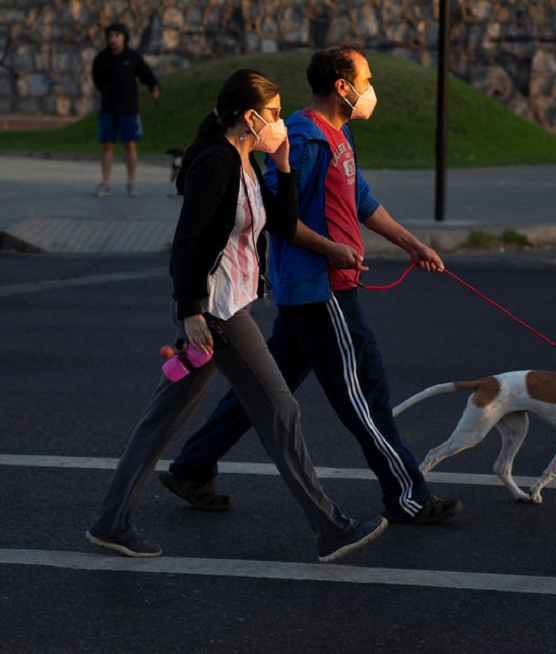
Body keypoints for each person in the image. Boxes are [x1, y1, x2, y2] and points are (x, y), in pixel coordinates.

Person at [85, 68, 387, 563]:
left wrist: (285, 165)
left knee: (163, 419)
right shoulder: (216, 163)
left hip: (225, 306)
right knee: (280, 408)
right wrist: (190, 313)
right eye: (273, 115)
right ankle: (331, 528)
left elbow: (284, 223)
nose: (280, 122)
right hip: (217, 313)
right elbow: (187, 242)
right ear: (249, 117)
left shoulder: (246, 159)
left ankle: (109, 522)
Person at [159, 44, 462, 525]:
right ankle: (409, 495)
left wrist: (412, 244)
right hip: (320, 289)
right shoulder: (303, 136)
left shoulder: (339, 136)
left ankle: (192, 467)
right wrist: (332, 250)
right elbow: (280, 215)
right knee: (364, 391)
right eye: (365, 81)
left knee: (261, 391)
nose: (370, 91)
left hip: (315, 291)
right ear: (342, 87)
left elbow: (360, 197)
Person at [91, 22, 160, 198]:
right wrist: (106, 91)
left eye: (117, 36)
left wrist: (153, 87)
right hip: (108, 109)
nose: (113, 40)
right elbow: (96, 77)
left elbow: (147, 74)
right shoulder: (102, 58)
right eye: (110, 36)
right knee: (107, 145)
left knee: (130, 145)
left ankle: (131, 183)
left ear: (124, 37)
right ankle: (105, 183)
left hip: (129, 109)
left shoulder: (133, 57)